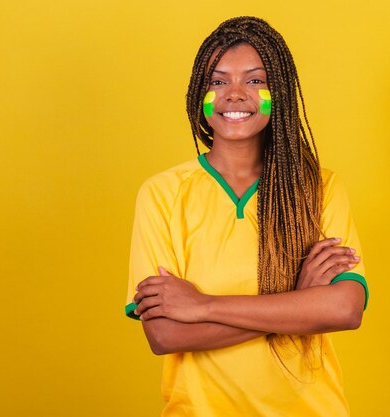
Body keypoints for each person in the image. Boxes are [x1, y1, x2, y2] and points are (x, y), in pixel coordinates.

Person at [125, 16, 368, 417]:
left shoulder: (318, 187)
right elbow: (164, 334)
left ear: (280, 93)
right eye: (218, 82)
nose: (234, 95)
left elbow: (344, 309)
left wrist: (201, 306)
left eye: (255, 81)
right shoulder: (162, 194)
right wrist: (299, 304)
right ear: (198, 96)